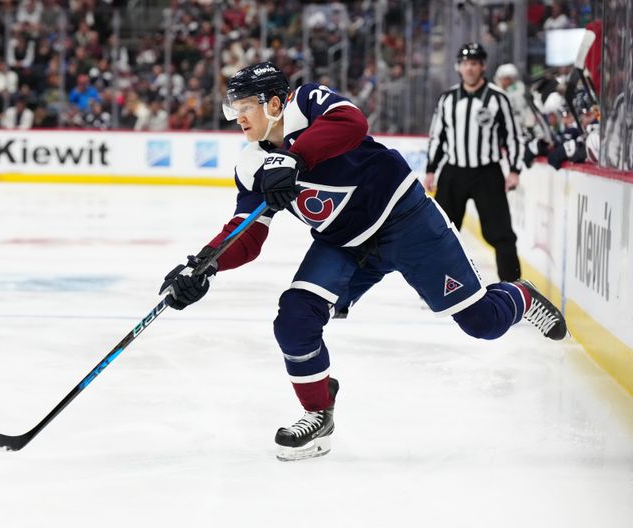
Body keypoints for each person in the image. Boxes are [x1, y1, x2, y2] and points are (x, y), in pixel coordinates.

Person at [159, 61, 567, 462]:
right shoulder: (251, 165)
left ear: (275, 104)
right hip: (345, 243)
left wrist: (295, 158)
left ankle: (521, 298)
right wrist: (204, 264)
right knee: (295, 318)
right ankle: (318, 414)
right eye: (234, 108)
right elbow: (247, 233)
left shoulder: (306, 101)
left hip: (406, 219)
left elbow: (352, 122)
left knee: (484, 323)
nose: (239, 117)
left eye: (246, 105)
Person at [424, 43, 525, 282]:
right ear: (459, 67)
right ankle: (436, 283)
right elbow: (437, 136)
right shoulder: (448, 99)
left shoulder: (498, 99)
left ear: (483, 66)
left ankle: (512, 287)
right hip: (453, 172)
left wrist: (514, 170)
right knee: (440, 232)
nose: (470, 68)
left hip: (487, 173)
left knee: (501, 235)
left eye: (475, 64)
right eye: (466, 63)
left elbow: (513, 136)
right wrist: (430, 170)